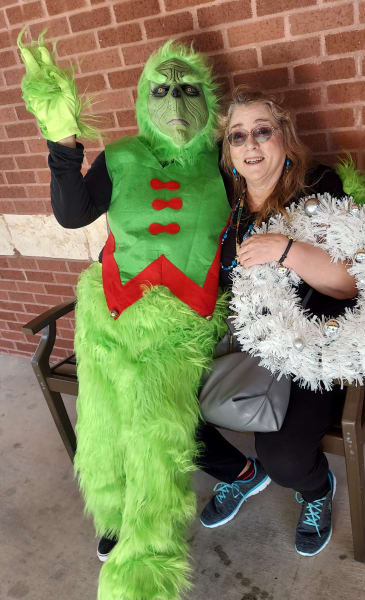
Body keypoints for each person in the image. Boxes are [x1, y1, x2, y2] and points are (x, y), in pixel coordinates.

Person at [18, 34, 230, 600]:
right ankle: (113, 514)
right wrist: (62, 142)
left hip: (180, 324)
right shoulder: (122, 155)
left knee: (155, 433)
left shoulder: (225, 158)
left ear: (207, 97)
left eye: (188, 90)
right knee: (105, 422)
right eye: (162, 89)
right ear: (143, 97)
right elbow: (73, 215)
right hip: (108, 308)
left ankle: (146, 566)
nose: (176, 103)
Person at [196, 87, 358, 557]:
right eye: (237, 136)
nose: (251, 145)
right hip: (238, 339)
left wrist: (286, 250)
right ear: (227, 150)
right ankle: (238, 474)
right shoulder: (225, 200)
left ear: (284, 136)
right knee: (160, 403)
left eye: (262, 131)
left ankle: (315, 489)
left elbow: (347, 285)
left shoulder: (319, 188)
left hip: (309, 343)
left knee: (285, 459)